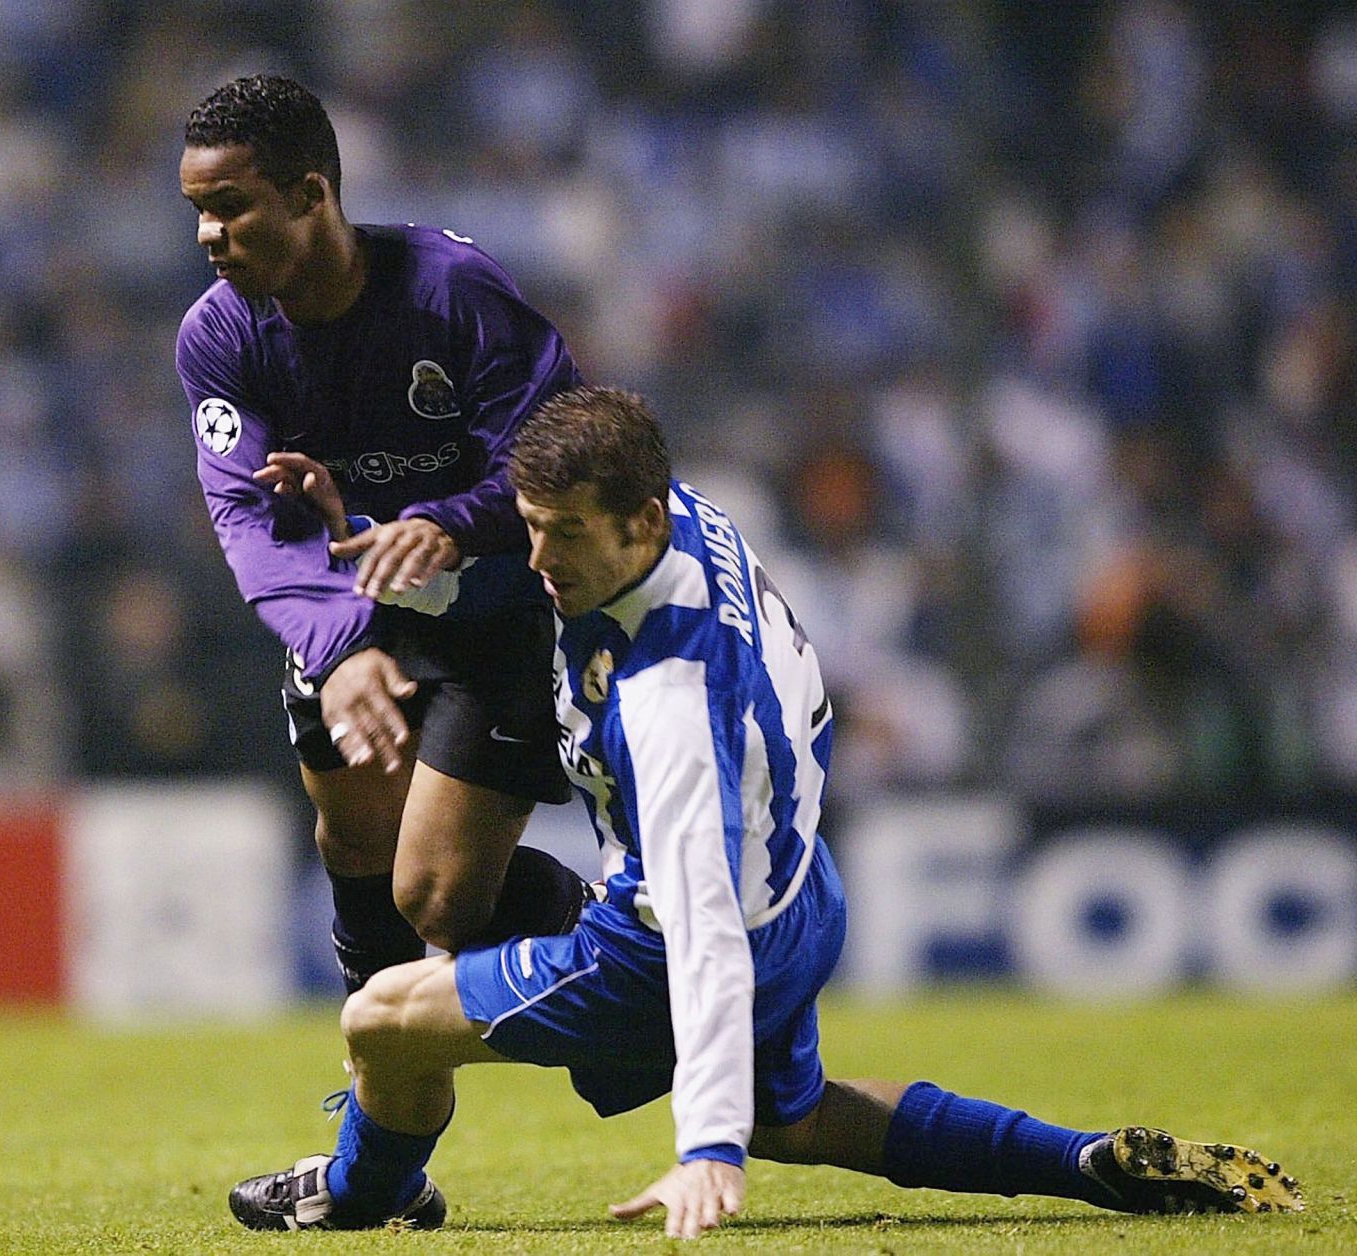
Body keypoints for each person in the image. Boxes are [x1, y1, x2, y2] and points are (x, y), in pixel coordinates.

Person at [227, 387, 1306, 1236]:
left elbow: (697, 923)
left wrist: (705, 1148)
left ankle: (370, 1195)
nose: (543, 557)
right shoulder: (685, 519)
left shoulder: (668, 701)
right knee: (796, 1115)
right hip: (800, 893)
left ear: (638, 519)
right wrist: (372, 540)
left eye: (564, 534)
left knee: (379, 1018)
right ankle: (1078, 1159)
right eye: (532, 528)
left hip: (673, 945)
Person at [176, 74, 589, 995]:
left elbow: (549, 458)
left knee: (440, 896)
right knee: (353, 838)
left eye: (232, 208)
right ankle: (383, 1122)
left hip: (491, 608)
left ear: (313, 193)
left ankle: (624, 946)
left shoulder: (454, 291)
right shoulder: (217, 337)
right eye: (199, 211)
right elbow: (245, 513)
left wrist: (444, 523)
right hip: (351, 602)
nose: (210, 235)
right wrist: (340, 645)